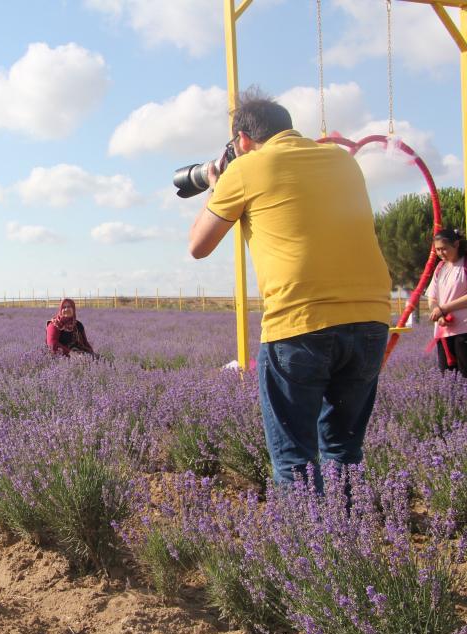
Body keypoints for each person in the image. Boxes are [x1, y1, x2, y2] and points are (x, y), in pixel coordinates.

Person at [187, 88, 391, 488]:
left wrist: (219, 183)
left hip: (299, 323)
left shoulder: (246, 169)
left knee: (295, 460)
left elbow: (198, 245)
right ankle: (347, 544)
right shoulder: (342, 160)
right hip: (370, 321)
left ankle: (309, 549)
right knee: (344, 454)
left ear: (242, 140)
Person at [427, 228, 467, 376]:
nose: (440, 253)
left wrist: (443, 308)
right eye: (437, 250)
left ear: (456, 244)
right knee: (447, 376)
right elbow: (432, 297)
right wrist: (438, 314)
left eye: (444, 249)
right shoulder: (440, 267)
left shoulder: (465, 264)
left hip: (464, 330)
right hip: (443, 331)